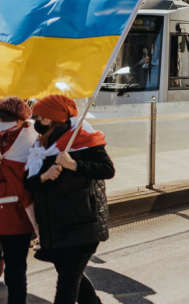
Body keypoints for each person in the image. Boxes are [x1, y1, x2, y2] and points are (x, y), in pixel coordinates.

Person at [25, 95, 114, 303]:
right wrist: (44, 176)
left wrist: (74, 165)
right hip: (54, 227)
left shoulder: (83, 140)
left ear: (50, 118)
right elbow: (29, 184)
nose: (34, 121)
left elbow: (107, 170)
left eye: (38, 116)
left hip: (82, 225)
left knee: (66, 286)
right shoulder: (40, 145)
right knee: (75, 281)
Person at [0, 97, 36, 304]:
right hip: (18, 218)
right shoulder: (32, 140)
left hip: (13, 217)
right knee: (16, 271)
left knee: (14, 270)